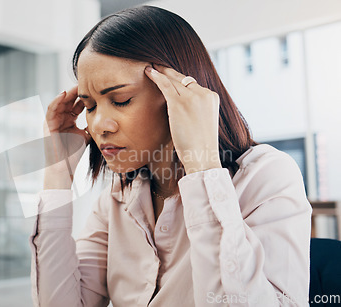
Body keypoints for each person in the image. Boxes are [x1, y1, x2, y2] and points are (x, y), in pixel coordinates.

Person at [30, 5, 312, 307]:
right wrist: (57, 174)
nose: (99, 126)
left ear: (178, 93)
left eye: (121, 100)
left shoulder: (266, 177)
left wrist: (202, 168)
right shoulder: (118, 199)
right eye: (90, 106)